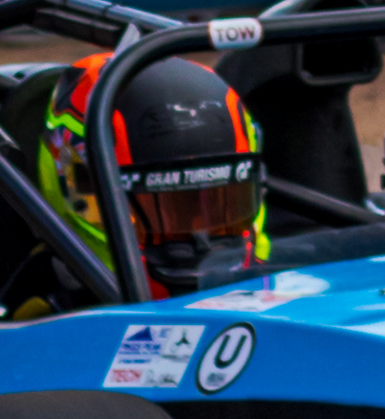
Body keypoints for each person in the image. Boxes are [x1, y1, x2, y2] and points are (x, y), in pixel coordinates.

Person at [28, 48, 271, 299]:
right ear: (76, 185)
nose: (201, 243)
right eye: (169, 215)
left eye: (222, 206)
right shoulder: (27, 314)